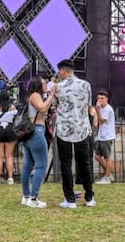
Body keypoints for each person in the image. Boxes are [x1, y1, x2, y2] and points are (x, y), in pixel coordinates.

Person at [52, 59, 94, 208]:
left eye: (59, 71)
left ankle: (70, 200)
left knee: (66, 164)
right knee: (85, 164)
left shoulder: (58, 87)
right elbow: (89, 105)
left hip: (64, 129)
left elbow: (54, 106)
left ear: (63, 71)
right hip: (82, 128)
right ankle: (89, 197)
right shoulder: (86, 85)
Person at [20, 76, 55, 207]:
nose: (46, 85)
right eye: (44, 83)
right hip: (37, 132)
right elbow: (42, 109)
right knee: (41, 165)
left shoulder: (31, 96)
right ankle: (34, 198)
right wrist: (51, 96)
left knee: (28, 165)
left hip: (31, 133)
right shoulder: (35, 95)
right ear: (38, 85)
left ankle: (26, 195)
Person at [0, 90, 18, 184]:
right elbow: (16, 116)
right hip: (10, 129)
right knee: (9, 156)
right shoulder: (12, 107)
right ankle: (10, 178)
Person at [94, 91, 116, 184]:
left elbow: (101, 121)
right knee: (97, 156)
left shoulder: (108, 109)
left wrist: (98, 110)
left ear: (106, 99)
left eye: (102, 98)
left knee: (107, 157)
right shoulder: (101, 108)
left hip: (107, 136)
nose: (100, 100)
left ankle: (107, 177)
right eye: (98, 98)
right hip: (101, 135)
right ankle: (109, 173)